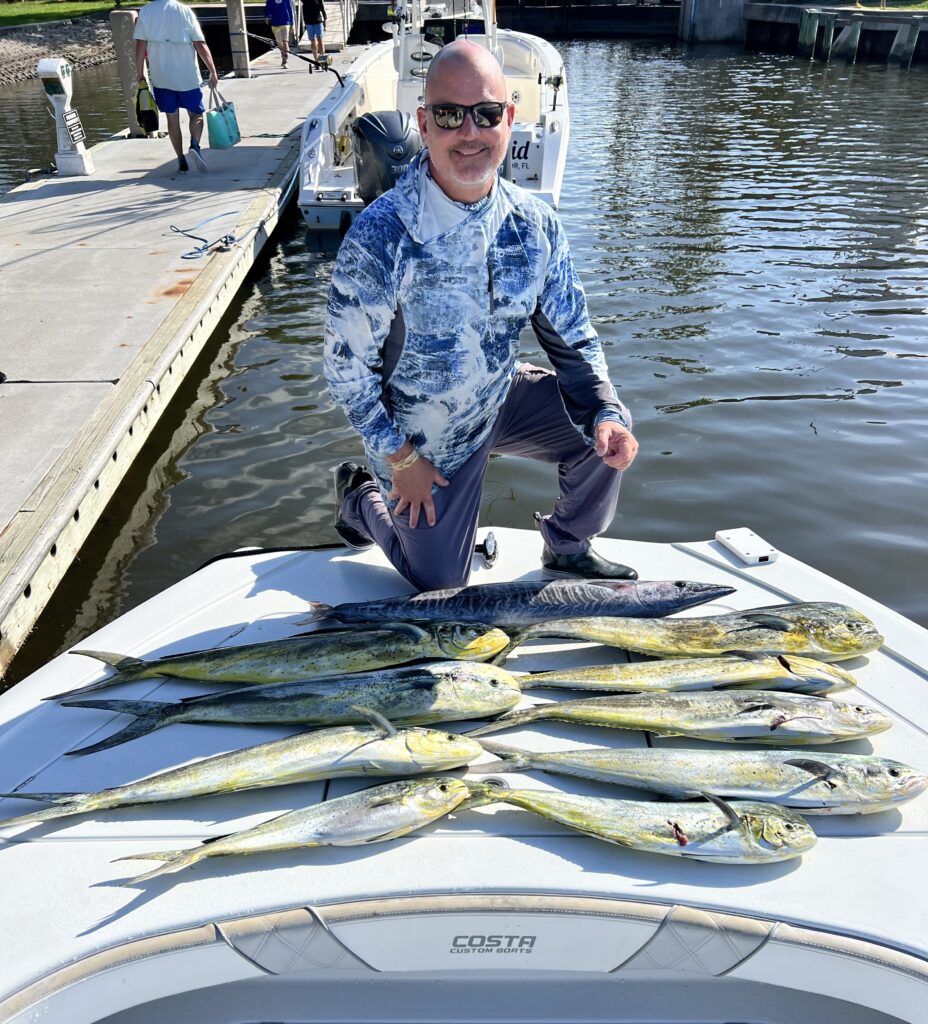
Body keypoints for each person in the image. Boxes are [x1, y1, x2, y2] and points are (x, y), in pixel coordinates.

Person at [324, 40, 639, 592]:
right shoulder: (380, 236)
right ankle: (359, 499)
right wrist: (400, 461)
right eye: (449, 115)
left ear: (509, 119)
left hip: (499, 397)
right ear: (424, 124)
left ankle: (568, 545)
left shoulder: (536, 225)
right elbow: (347, 373)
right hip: (423, 439)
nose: (469, 132)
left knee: (607, 426)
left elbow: (574, 340)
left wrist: (605, 413)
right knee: (438, 581)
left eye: (486, 113)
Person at [134, 0, 219, 175]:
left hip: (161, 75)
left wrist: (140, 73)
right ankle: (195, 145)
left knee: (172, 119)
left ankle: (180, 159)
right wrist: (212, 71)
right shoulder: (184, 11)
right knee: (195, 114)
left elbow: (140, 46)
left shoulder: (146, 12)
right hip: (186, 75)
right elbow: (200, 44)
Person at [265, 0, 294, 68]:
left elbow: (290, 10)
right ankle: (283, 56)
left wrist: (292, 24)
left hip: (285, 23)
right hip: (275, 24)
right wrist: (266, 16)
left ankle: (285, 61)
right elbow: (267, 7)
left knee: (285, 42)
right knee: (279, 43)